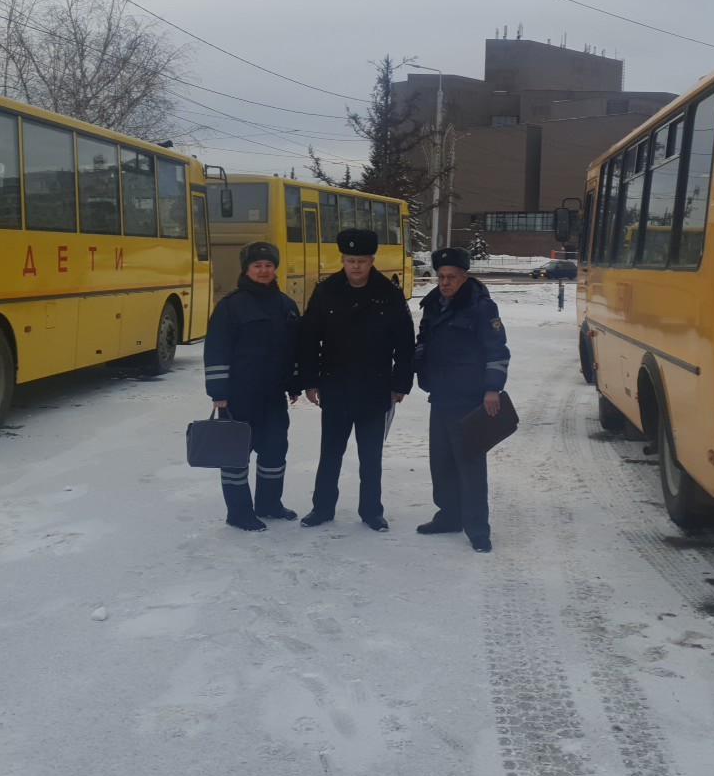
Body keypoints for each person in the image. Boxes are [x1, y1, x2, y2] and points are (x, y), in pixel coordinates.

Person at [297, 228, 415, 531]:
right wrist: (310, 381)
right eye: (351, 261)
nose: (356, 267)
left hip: (375, 387)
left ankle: (372, 510)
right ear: (343, 260)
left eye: (362, 260)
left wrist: (401, 383)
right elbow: (308, 339)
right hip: (335, 385)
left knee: (370, 457)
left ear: (372, 260)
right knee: (331, 454)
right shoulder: (326, 291)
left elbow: (404, 341)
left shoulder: (389, 293)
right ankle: (322, 508)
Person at [414, 246, 509, 553]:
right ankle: (449, 516)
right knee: (440, 463)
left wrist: (492, 388)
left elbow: (497, 351)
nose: (444, 282)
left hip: (469, 399)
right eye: (441, 276)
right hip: (440, 397)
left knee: (469, 465)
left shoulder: (481, 307)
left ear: (464, 277)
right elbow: (423, 342)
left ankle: (478, 528)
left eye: (451, 277)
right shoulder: (432, 305)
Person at [203, 241, 302, 531]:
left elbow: (295, 348)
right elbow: (217, 351)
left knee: (274, 452)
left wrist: (295, 382)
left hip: (273, 397)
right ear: (247, 269)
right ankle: (239, 512)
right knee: (235, 456)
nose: (263, 270)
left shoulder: (286, 304)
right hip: (238, 397)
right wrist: (218, 392)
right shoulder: (230, 306)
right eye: (257, 266)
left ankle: (270, 504)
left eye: (269, 266)